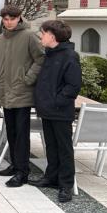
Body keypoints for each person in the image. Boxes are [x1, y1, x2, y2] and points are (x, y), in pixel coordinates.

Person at [29, 20, 81, 203]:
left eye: (43, 33)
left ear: (52, 35)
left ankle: (65, 185)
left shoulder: (70, 56)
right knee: (51, 146)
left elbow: (73, 86)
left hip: (60, 111)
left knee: (64, 148)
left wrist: (56, 102)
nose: (41, 36)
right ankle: (51, 177)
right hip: (47, 110)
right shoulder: (50, 54)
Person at [0, 4, 44, 187]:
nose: (9, 22)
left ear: (19, 17)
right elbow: (1, 64)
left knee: (22, 135)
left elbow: (41, 58)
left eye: (12, 19)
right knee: (12, 132)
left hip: (22, 91)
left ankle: (23, 172)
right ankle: (15, 165)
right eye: (5, 19)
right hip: (6, 92)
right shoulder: (1, 38)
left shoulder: (29, 35)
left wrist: (27, 78)